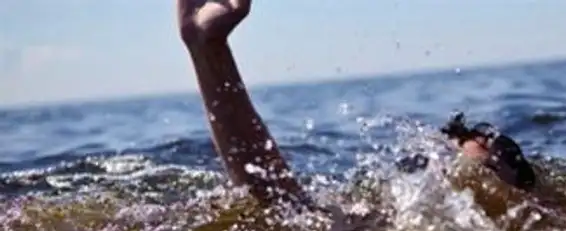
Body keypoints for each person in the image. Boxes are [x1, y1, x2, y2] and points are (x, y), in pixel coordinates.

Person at [177, 0, 537, 214]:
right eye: (468, 141)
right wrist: (207, 49)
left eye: (495, 143)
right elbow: (277, 200)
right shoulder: (389, 214)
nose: (488, 145)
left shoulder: (540, 222)